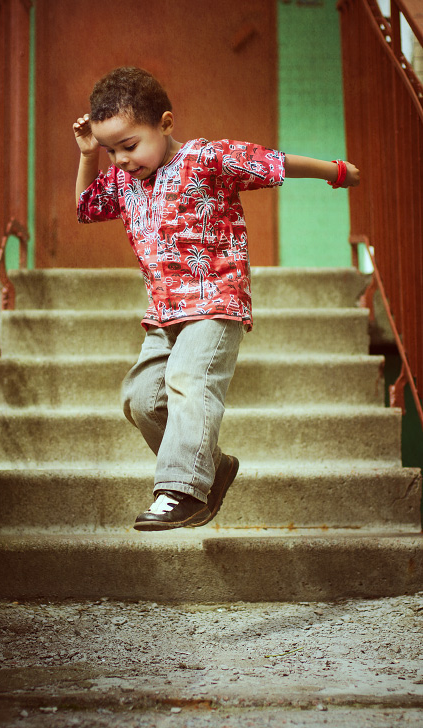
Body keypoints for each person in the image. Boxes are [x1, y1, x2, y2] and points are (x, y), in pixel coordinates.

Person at [73, 66, 360, 532]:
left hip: (217, 301)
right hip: (163, 313)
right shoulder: (124, 182)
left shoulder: (207, 158)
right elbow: (86, 207)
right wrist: (89, 156)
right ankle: (215, 467)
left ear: (165, 124)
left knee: (188, 379)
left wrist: (335, 171)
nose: (121, 160)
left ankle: (181, 491)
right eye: (111, 151)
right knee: (141, 401)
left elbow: (275, 162)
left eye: (129, 145)